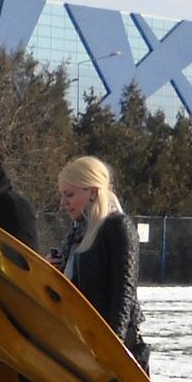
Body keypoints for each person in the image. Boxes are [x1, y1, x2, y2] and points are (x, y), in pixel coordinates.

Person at [55, 154, 149, 370]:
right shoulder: (77, 231)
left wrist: (113, 345)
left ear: (93, 192)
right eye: (62, 195)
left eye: (69, 194)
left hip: (111, 344)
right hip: (80, 338)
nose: (63, 203)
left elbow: (124, 290)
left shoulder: (118, 226)